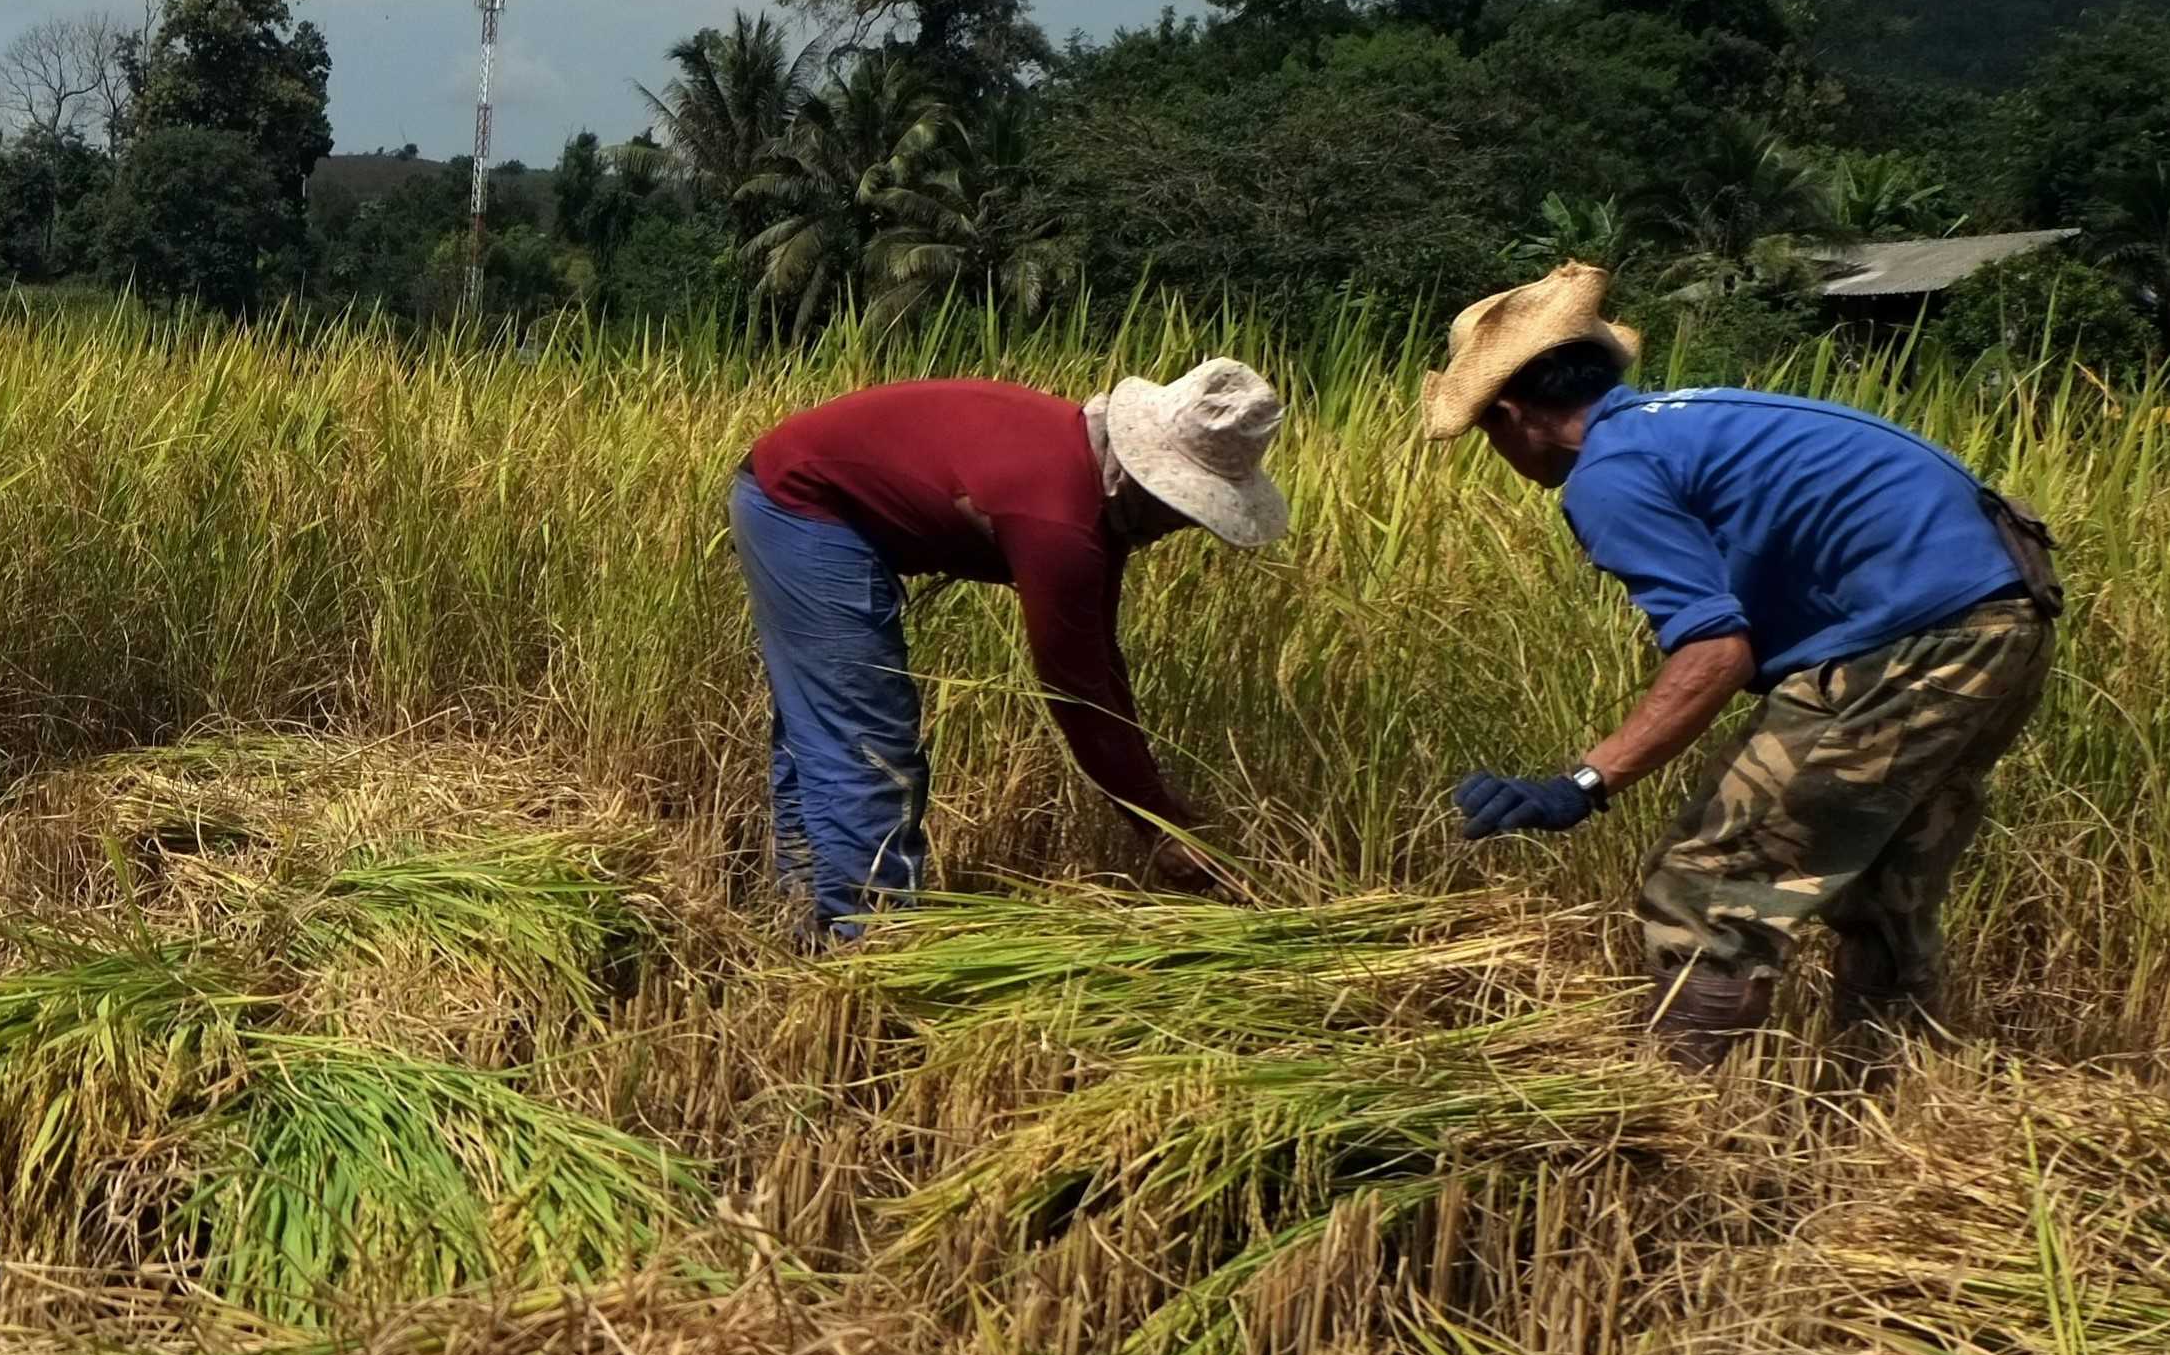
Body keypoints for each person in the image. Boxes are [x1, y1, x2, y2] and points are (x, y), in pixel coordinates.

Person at [1428, 263, 2061, 1066]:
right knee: (1880, 885)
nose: (1498, 451)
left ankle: (1677, 1123)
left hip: (1916, 637)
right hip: (2004, 616)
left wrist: (1580, 784)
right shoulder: (1684, 421)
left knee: (1704, 881)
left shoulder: (1610, 472)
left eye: (1488, 433)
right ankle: (1877, 1110)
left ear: (1513, 413)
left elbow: (1716, 652)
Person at [732, 359, 1289, 937]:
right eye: (1186, 509)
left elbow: (1099, 657)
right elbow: (1075, 688)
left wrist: (1155, 805)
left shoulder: (1096, 482)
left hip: (795, 491)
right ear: (1149, 482)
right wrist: (1155, 824)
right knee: (865, 740)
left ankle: (804, 920)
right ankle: (869, 947)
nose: (1183, 526)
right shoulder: (1060, 516)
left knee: (822, 730)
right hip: (800, 504)